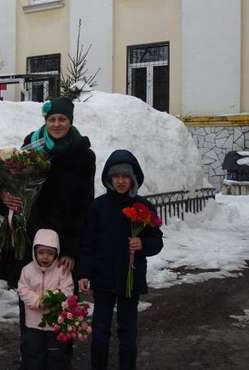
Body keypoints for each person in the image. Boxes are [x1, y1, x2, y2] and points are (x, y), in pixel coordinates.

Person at [0, 96, 96, 362]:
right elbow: (12, 181)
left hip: (62, 242)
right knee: (30, 307)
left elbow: (85, 203)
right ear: (45, 121)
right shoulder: (32, 146)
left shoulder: (83, 155)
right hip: (31, 239)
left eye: (62, 119)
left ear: (70, 121)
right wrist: (5, 195)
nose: (56, 124)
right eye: (52, 119)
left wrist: (73, 249)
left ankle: (59, 360)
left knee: (61, 308)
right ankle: (31, 360)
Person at [78, 149, 164, 370]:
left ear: (133, 178)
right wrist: (84, 273)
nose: (121, 181)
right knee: (100, 330)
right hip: (103, 278)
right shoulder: (98, 207)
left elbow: (157, 241)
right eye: (116, 176)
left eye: (126, 176)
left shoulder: (142, 207)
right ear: (109, 178)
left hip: (130, 279)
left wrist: (143, 244)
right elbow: (88, 243)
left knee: (128, 331)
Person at [18, 229, 74, 370]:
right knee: (34, 353)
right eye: (41, 252)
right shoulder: (27, 270)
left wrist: (52, 300)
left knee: (56, 354)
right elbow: (23, 290)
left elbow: (67, 290)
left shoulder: (62, 271)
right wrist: (37, 301)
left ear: (56, 253)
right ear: (34, 252)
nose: (45, 257)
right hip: (33, 323)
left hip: (55, 322)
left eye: (50, 253)